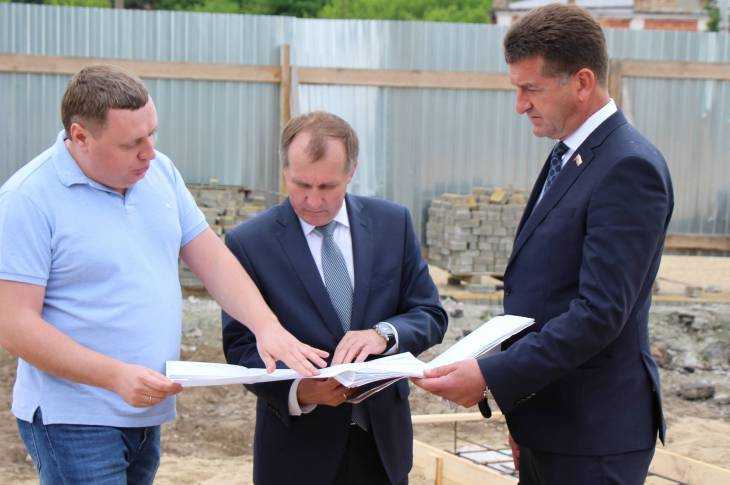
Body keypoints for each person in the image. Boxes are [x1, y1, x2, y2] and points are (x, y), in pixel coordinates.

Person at [0, 65, 327, 484]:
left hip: (144, 413)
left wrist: (266, 326)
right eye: (132, 143)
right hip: (74, 419)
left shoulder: (160, 173)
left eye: (152, 134)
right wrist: (114, 376)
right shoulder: (28, 199)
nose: (149, 152)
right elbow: (14, 325)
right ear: (80, 137)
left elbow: (212, 259)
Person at [414, 5, 673, 484]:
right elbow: (546, 293)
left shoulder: (627, 167)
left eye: (530, 89)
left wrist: (492, 376)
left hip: (594, 436)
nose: (520, 105)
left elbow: (599, 313)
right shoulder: (572, 154)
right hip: (552, 422)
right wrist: (522, 409)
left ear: (582, 82)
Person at [222, 111, 448, 485]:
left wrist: (383, 334)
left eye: (327, 186)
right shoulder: (249, 244)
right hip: (297, 455)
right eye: (301, 185)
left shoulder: (393, 224)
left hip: (382, 449)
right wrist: (300, 391)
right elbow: (241, 346)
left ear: (351, 172)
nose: (313, 200)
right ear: (284, 171)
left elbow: (429, 313)